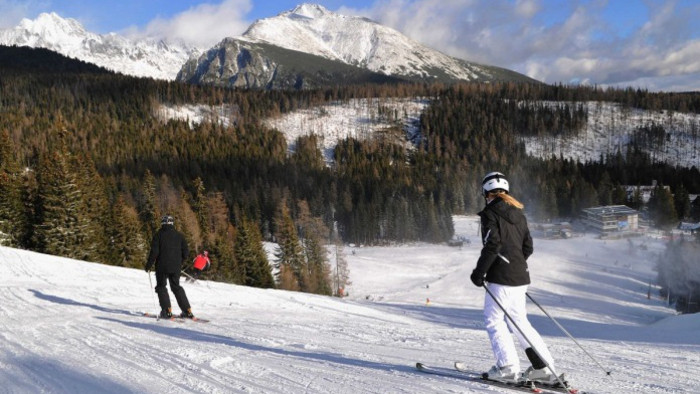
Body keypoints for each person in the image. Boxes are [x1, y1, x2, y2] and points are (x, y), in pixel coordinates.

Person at [469, 172, 560, 385]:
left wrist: (479, 272)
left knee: (494, 320)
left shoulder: (490, 213)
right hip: (520, 275)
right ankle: (544, 369)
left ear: (486, 193)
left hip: (501, 277)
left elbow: (493, 245)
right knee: (519, 321)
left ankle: (507, 368)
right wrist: (515, 264)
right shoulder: (518, 212)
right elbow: (528, 247)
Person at [144, 214, 195, 319]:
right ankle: (187, 311)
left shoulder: (158, 235)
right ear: (172, 223)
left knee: (161, 287)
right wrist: (179, 262)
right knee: (176, 287)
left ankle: (167, 311)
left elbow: (154, 252)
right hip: (176, 267)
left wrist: (148, 265)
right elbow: (186, 252)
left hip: (162, 266)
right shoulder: (179, 235)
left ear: (162, 223)